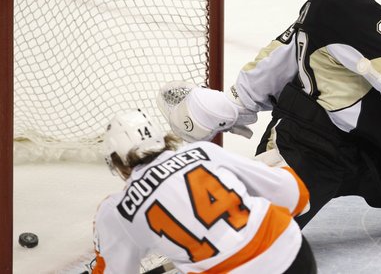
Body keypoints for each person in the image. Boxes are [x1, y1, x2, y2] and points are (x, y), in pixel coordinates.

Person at [159, 0, 381, 228]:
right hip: (312, 148)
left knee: (258, 223)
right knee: (248, 226)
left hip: (362, 148)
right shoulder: (347, 7)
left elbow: (278, 57)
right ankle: (177, 221)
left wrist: (239, 101)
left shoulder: (318, 10)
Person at [91, 109, 316, 274]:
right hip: (293, 254)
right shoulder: (203, 151)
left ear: (116, 162)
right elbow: (294, 194)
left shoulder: (116, 210)